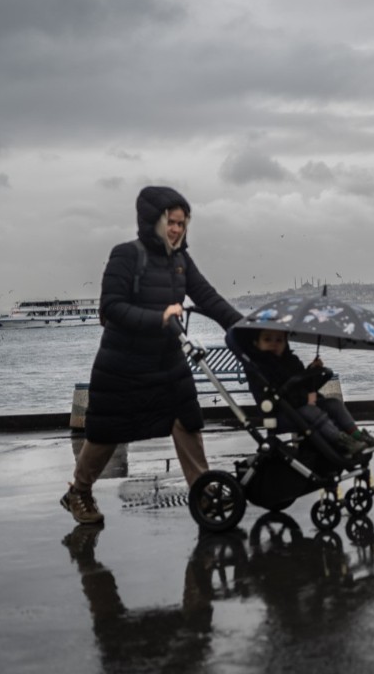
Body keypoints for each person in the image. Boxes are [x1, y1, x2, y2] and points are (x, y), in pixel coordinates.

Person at [62, 186, 245, 526]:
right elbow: (111, 308)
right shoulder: (126, 255)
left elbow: (207, 297)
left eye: (182, 223)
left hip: (167, 359)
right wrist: (158, 317)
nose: (177, 229)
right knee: (106, 432)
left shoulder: (180, 260)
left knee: (187, 419)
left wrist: (245, 327)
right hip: (123, 363)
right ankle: (79, 490)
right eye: (170, 222)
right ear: (152, 221)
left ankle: (201, 489)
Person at [243, 328, 374, 456]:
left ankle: (358, 436)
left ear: (286, 342)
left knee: (334, 403)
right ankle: (342, 441)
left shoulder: (291, 361)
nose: (274, 343)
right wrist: (303, 392)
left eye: (279, 340)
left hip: (297, 404)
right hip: (280, 413)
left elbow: (304, 386)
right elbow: (285, 391)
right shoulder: (260, 368)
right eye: (267, 339)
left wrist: (312, 371)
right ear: (256, 343)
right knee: (310, 410)